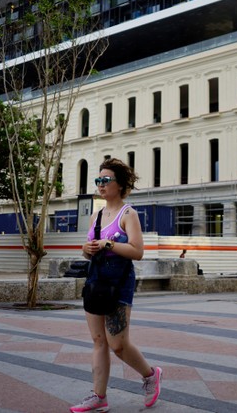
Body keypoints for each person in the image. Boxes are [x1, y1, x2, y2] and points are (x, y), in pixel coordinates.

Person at [71, 158, 162, 412]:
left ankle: (151, 375)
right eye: (98, 180)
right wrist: (86, 249)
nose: (100, 184)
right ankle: (98, 396)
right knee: (99, 340)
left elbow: (137, 251)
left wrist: (108, 244)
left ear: (120, 185)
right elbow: (89, 252)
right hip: (96, 280)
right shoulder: (96, 215)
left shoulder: (128, 214)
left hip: (118, 282)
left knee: (118, 344)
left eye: (105, 180)